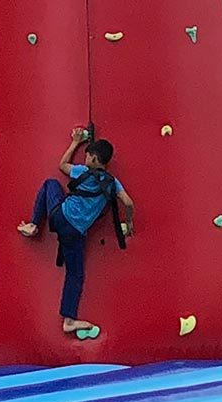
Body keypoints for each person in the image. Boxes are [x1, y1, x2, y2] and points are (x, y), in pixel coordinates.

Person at [17, 129, 135, 337]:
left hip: (60, 216)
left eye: (87, 155)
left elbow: (62, 166)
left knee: (50, 184)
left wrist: (75, 142)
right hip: (76, 232)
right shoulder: (112, 182)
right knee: (75, 275)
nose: (85, 157)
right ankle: (69, 319)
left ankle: (34, 224)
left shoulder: (82, 172)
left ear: (94, 158)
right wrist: (129, 221)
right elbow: (128, 202)